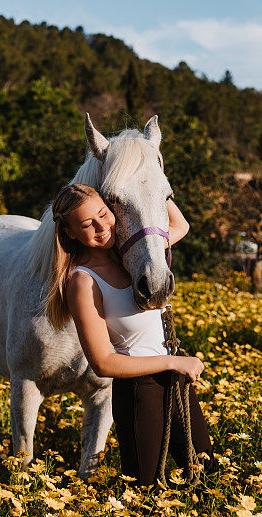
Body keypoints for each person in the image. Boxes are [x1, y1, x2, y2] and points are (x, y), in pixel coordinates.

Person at [43, 183, 219, 487]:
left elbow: (180, 225)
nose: (101, 227)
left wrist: (145, 182)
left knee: (206, 476)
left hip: (176, 381)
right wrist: (171, 363)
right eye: (87, 224)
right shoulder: (83, 281)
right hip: (140, 391)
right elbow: (103, 363)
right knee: (147, 490)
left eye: (103, 214)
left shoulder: (133, 253)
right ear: (71, 232)